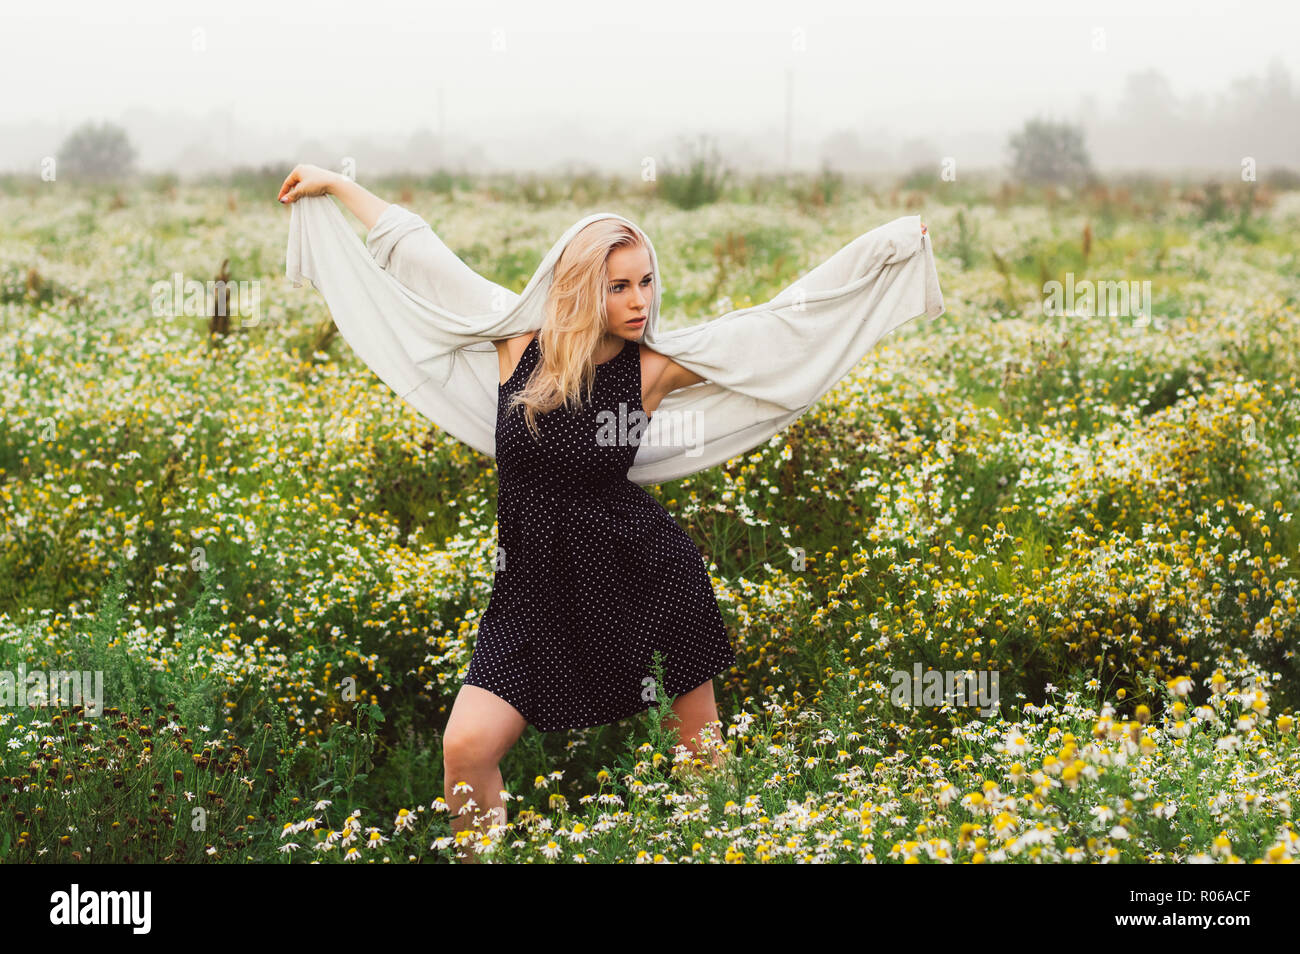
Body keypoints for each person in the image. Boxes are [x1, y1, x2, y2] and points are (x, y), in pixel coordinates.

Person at [278, 165, 741, 862]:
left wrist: (880, 262)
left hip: (644, 575)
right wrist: (337, 186)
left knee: (699, 751)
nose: (640, 300)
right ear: (581, 286)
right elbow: (420, 253)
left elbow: (770, 339)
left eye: (645, 281)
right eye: (619, 285)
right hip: (529, 591)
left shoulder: (655, 367)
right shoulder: (516, 343)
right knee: (465, 747)